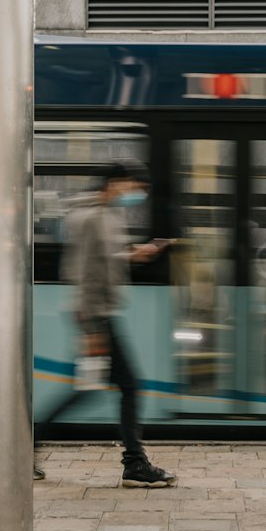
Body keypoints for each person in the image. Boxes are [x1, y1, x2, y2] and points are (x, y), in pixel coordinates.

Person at [69, 161, 176, 488]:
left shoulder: (105, 215)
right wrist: (92, 328)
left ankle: (33, 437)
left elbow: (108, 257)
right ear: (116, 183)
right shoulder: (91, 218)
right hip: (96, 314)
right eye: (133, 187)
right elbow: (83, 272)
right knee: (130, 386)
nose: (136, 195)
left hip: (100, 313)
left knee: (91, 388)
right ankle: (134, 463)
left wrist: (138, 253)